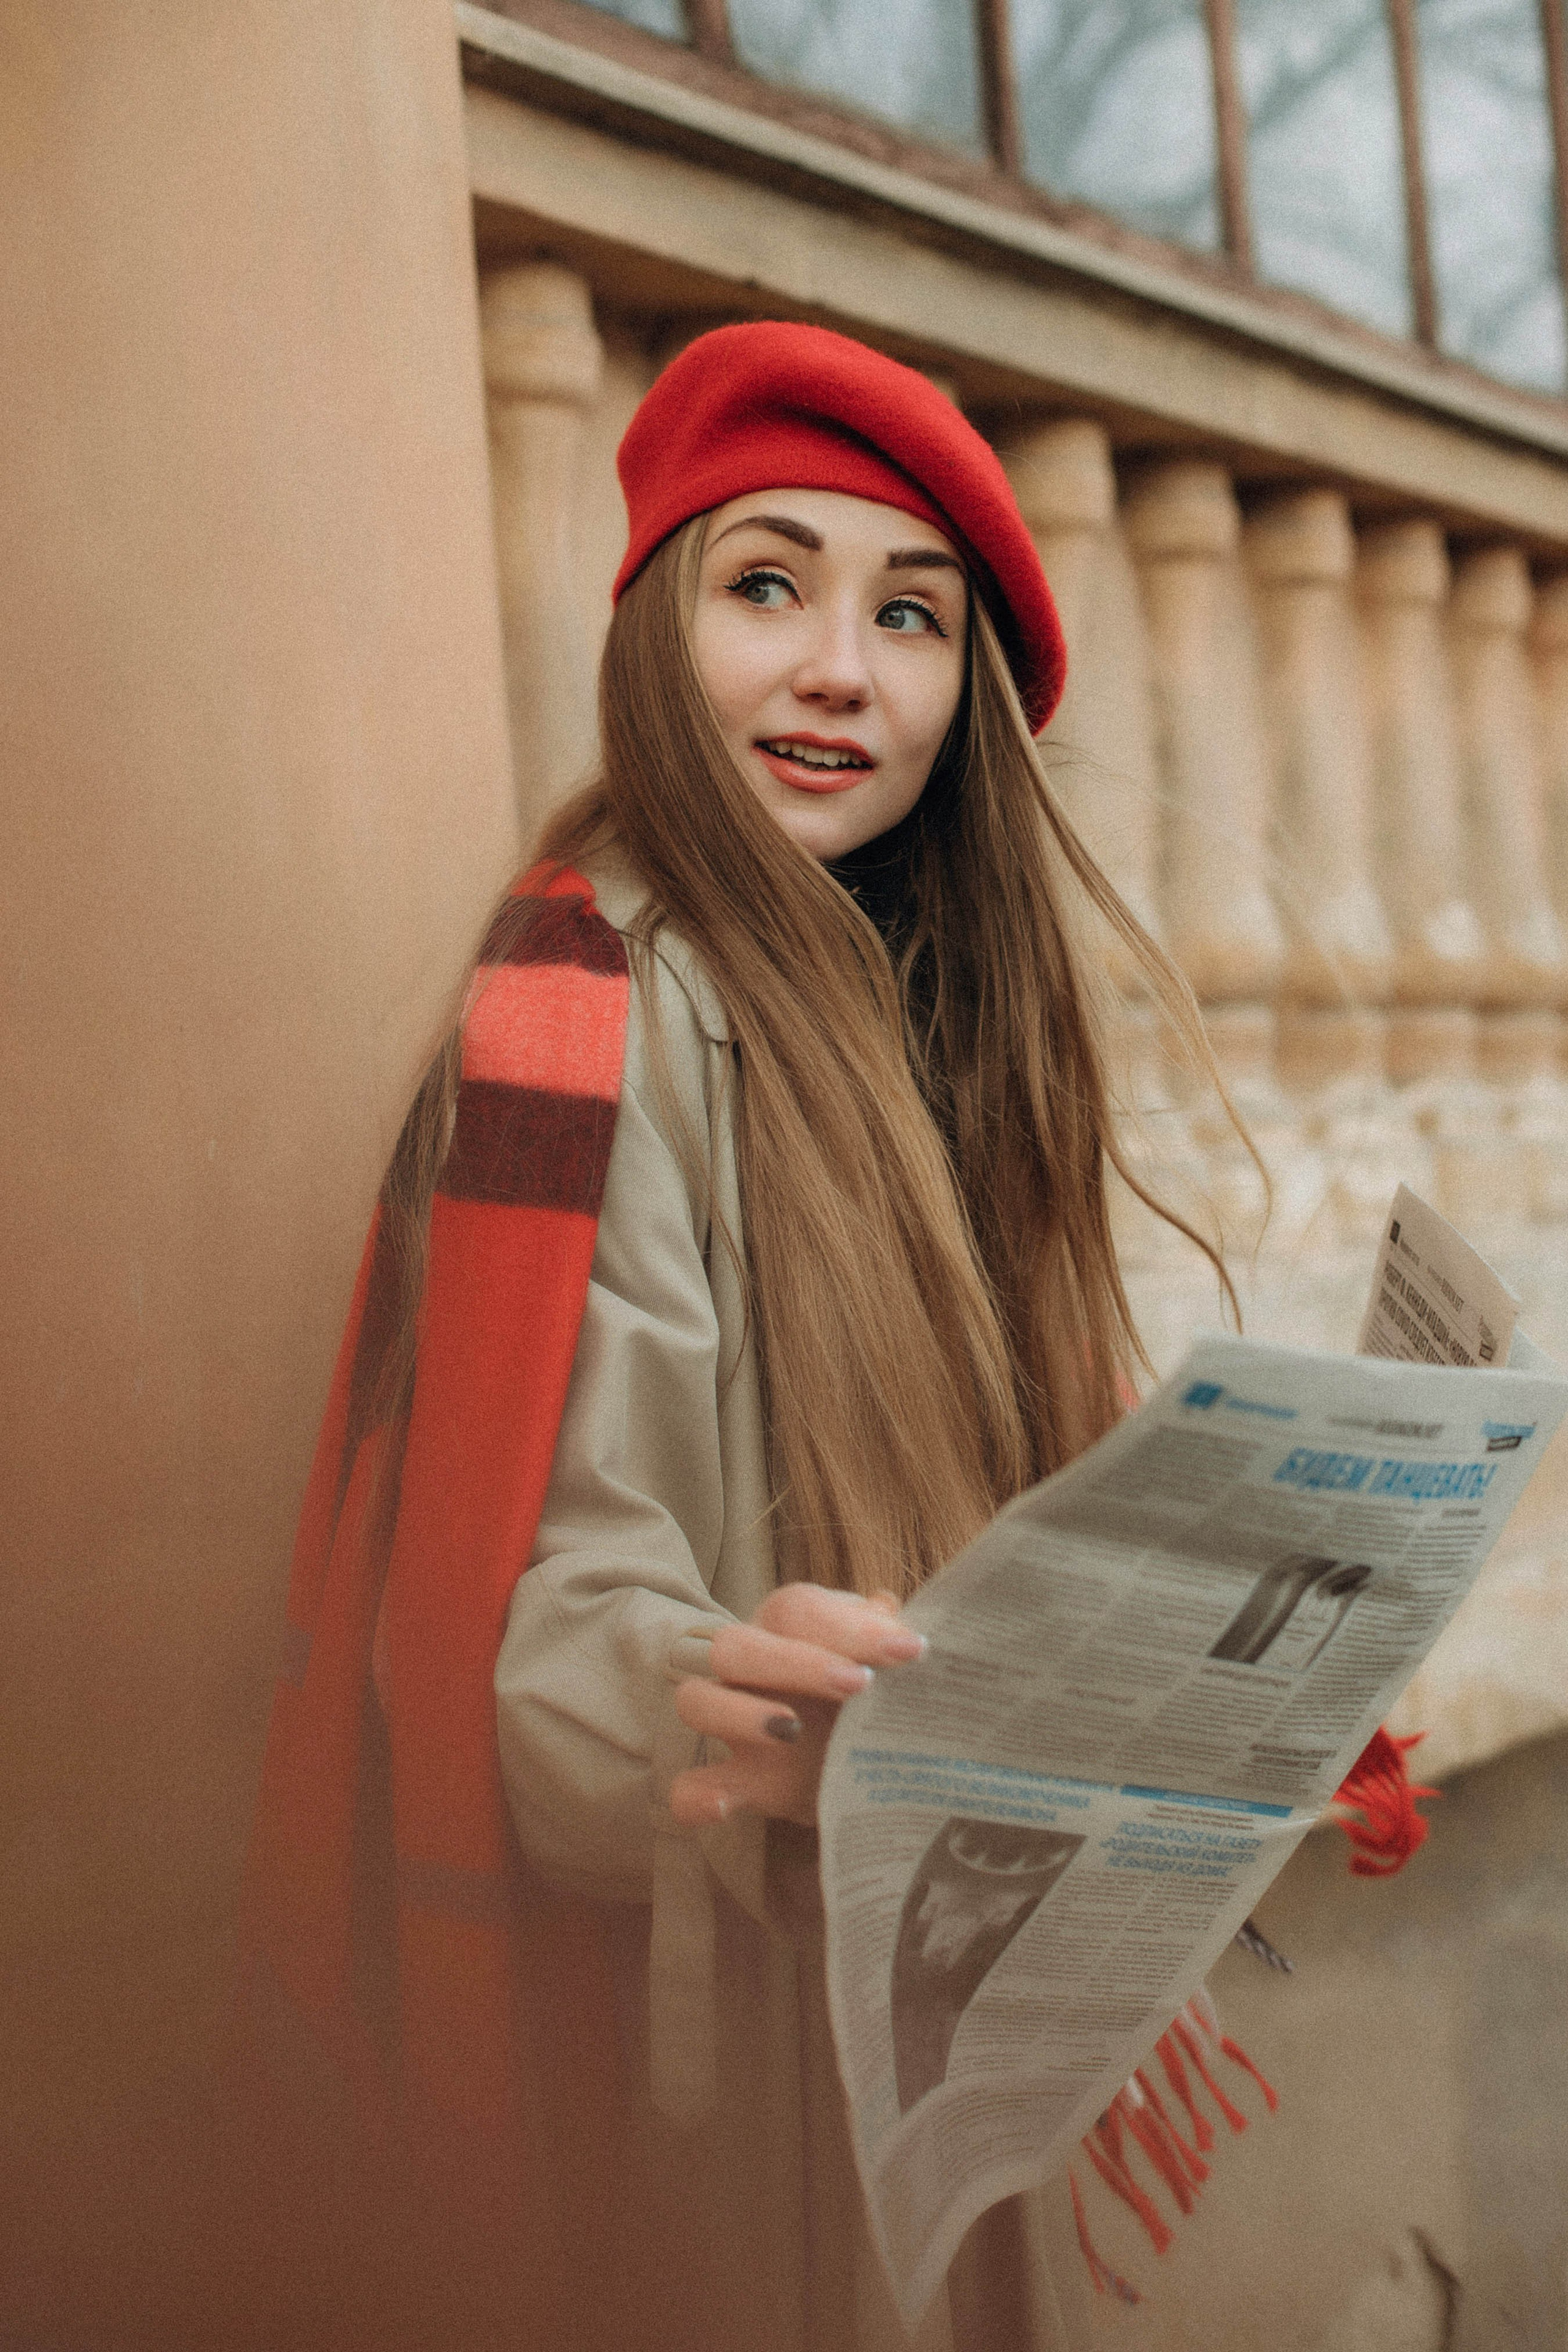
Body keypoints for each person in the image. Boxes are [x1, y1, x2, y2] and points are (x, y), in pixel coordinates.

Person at [239, 322, 1230, 2352]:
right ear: (652, 630)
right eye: (765, 584)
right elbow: (517, 1612)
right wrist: (728, 1700)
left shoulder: (943, 1021)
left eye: (913, 618)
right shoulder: (588, 1001)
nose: (843, 670)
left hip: (948, 1994)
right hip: (742, 2029)